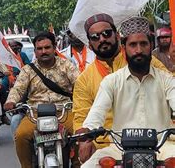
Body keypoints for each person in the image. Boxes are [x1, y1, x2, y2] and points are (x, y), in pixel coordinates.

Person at [72, 13, 169, 163]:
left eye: (106, 33)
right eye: (95, 37)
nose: (102, 39)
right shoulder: (89, 80)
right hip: (108, 142)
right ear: (90, 45)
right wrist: (85, 139)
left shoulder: (150, 64)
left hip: (158, 140)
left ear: (117, 36)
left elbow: (171, 91)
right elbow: (83, 116)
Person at [4, 32, 79, 168]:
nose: (43, 51)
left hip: (64, 111)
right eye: (39, 49)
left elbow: (79, 85)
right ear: (35, 51)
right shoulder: (28, 70)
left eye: (47, 47)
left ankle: (78, 164)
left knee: (80, 133)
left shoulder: (67, 65)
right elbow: (18, 89)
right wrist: (11, 101)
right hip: (35, 113)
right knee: (20, 135)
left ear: (54, 47)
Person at [6, 40, 31, 134]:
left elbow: (28, 65)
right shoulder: (7, 56)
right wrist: (10, 101)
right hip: (10, 76)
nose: (15, 47)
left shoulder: (24, 56)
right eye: (13, 46)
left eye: (16, 45)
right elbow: (17, 90)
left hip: (52, 111)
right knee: (2, 87)